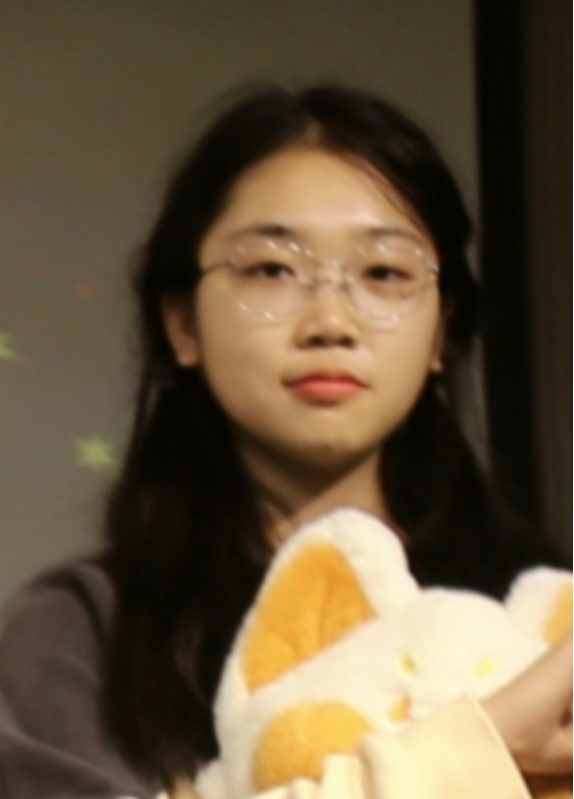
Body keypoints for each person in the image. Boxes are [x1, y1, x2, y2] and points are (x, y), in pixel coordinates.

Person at [0, 84, 571, 799]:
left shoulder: (543, 609)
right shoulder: (85, 632)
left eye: (385, 273)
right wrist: (481, 750)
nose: (331, 321)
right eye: (272, 270)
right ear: (182, 323)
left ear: (441, 331)